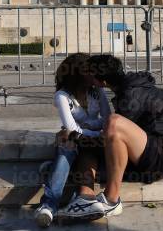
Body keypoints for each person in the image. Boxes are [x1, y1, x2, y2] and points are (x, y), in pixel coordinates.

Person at [58, 54, 163, 220]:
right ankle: (85, 198)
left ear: (101, 82)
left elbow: (111, 137)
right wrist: (79, 138)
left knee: (114, 123)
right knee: (87, 148)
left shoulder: (132, 94)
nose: (87, 79)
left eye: (91, 76)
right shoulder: (124, 86)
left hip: (161, 155)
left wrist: (76, 135)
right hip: (143, 150)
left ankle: (112, 200)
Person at [34, 53, 110, 228]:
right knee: (68, 144)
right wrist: (95, 129)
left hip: (92, 143)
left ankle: (70, 196)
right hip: (77, 141)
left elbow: (108, 119)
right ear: (78, 74)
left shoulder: (97, 91)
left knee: (67, 140)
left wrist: (90, 127)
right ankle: (48, 206)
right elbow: (72, 129)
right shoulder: (62, 96)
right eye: (89, 72)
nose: (94, 75)